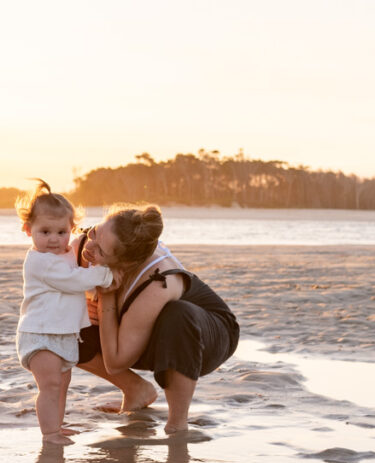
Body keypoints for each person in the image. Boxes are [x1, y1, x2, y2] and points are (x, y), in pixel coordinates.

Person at [74, 204, 238, 434]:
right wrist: (78, 307)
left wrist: (107, 295)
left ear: (127, 263)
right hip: (143, 334)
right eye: (93, 232)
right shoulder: (84, 244)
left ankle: (177, 423)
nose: (89, 246)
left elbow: (116, 361)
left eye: (100, 251)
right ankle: (135, 389)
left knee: (177, 315)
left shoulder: (157, 282)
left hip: (208, 338)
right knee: (59, 322)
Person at [16, 181, 114, 445]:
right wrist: (106, 274)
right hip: (40, 334)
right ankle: (49, 434)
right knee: (49, 386)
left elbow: (81, 250)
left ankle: (56, 426)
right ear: (28, 230)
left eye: (61, 232)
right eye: (44, 231)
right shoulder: (41, 262)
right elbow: (73, 280)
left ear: (70, 230)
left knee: (61, 385)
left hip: (64, 334)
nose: (53, 239)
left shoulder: (66, 252)